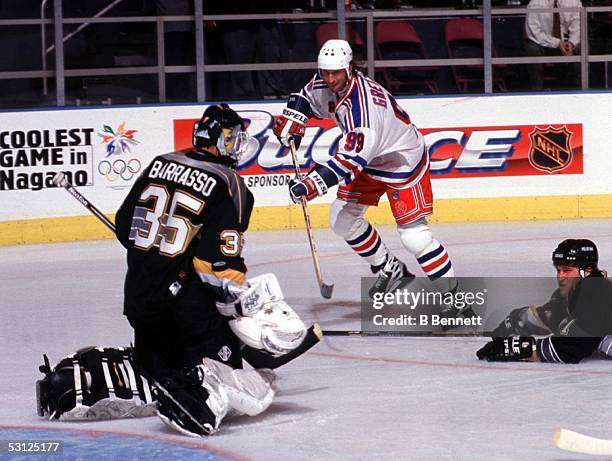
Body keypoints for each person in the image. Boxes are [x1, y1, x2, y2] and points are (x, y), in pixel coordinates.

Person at [111, 103, 319, 436]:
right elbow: (217, 266)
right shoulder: (230, 184)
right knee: (225, 369)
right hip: (183, 314)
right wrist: (239, 312)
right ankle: (196, 392)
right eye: (233, 138)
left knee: (158, 369)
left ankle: (149, 373)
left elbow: (124, 227)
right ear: (220, 140)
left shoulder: (160, 162)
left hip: (137, 298)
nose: (237, 145)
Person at [273, 39, 459, 303]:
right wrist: (294, 118)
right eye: (325, 72)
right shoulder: (324, 81)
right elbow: (304, 97)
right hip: (369, 160)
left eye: (335, 72)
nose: (330, 78)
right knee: (342, 219)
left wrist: (312, 183)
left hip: (400, 160)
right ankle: (388, 268)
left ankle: (456, 302)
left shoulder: (363, 110)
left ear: (350, 68)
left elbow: (350, 160)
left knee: (415, 237)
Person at [477, 239, 612, 364]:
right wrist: (512, 323)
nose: (560, 277)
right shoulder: (576, 293)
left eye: (567, 270)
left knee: (594, 337)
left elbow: (573, 347)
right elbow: (550, 314)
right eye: (558, 270)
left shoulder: (597, 294)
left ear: (586, 272)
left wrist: (518, 348)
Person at [525, 0, 582, 90]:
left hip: (567, 43)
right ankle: (536, 90)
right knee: (532, 48)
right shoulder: (535, 3)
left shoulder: (574, 2)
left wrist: (571, 43)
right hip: (544, 45)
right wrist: (557, 43)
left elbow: (578, 27)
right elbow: (533, 32)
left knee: (582, 48)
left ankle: (579, 89)